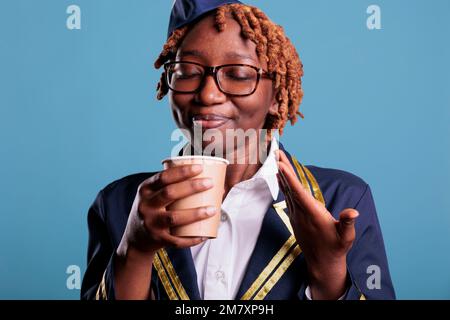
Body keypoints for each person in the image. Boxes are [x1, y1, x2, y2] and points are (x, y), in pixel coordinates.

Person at [81, 0, 395, 300]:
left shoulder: (341, 200)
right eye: (187, 72)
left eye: (239, 74)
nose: (208, 94)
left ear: (276, 94)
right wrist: (133, 250)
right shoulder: (119, 204)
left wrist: (329, 272)